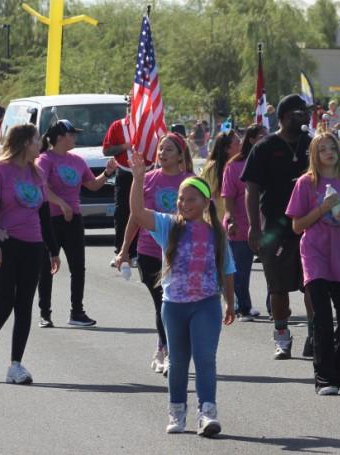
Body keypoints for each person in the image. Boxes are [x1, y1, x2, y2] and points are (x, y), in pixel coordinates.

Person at [125, 149, 236, 437]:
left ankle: (207, 412)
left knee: (205, 358)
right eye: (181, 199)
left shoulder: (216, 233)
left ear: (205, 202)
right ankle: (177, 412)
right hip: (174, 305)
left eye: (191, 199)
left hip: (207, 304)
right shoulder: (169, 225)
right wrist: (138, 178)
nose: (184, 204)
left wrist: (231, 304)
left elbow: (227, 269)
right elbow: (137, 213)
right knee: (177, 361)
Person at [0, 123, 61, 384]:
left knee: (24, 305)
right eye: (37, 140)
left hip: (33, 246)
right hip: (5, 244)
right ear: (25, 142)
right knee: (4, 303)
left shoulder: (36, 174)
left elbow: (44, 216)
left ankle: (16, 366)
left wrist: (53, 250)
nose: (41, 144)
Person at [287, 132, 340, 395]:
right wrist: (322, 209)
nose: (329, 152)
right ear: (314, 155)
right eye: (322, 149)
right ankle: (324, 378)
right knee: (321, 317)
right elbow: (297, 226)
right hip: (314, 253)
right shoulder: (306, 183)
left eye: (333, 148)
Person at [241, 94, 314, 359]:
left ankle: (314, 336)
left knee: (313, 286)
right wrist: (253, 227)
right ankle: (281, 336)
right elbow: (251, 188)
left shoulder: (312, 143)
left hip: (310, 227)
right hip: (274, 229)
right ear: (283, 117)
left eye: (305, 112)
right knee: (278, 289)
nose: (303, 117)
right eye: (297, 113)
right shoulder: (265, 146)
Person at [115, 133, 194, 376]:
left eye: (169, 150)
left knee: (177, 304)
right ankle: (169, 351)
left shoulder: (190, 180)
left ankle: (163, 346)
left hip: (181, 252)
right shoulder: (148, 179)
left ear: (181, 155)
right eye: (161, 149)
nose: (162, 153)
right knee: (163, 301)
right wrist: (124, 249)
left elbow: (202, 215)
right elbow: (135, 215)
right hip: (150, 252)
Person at [36, 120, 117, 328]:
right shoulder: (45, 160)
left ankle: (77, 312)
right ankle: (45, 313)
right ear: (61, 137)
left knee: (78, 267)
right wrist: (61, 203)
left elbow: (93, 185)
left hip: (74, 220)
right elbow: (41, 188)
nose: (75, 137)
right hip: (51, 220)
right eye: (72, 134)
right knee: (47, 267)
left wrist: (107, 173)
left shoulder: (77, 161)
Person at [223, 124, 267, 321]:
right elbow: (229, 198)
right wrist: (231, 220)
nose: (266, 138)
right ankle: (243, 307)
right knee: (240, 270)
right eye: (261, 136)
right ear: (251, 140)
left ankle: (274, 307)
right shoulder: (234, 166)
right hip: (241, 227)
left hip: (268, 226)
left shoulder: (273, 163)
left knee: (273, 270)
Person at [102, 99, 138, 261]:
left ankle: (138, 251)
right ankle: (120, 250)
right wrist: (125, 146)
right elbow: (107, 150)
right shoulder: (118, 126)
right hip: (124, 172)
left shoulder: (147, 128)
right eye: (130, 107)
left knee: (141, 211)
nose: (132, 110)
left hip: (144, 173)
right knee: (122, 211)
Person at [201, 130, 239, 212]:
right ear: (227, 149)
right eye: (237, 143)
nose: (241, 145)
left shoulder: (236, 165)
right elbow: (206, 195)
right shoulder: (212, 168)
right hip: (216, 221)